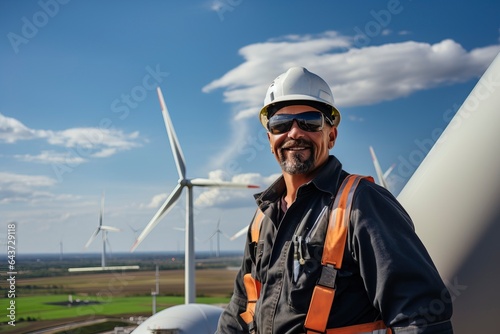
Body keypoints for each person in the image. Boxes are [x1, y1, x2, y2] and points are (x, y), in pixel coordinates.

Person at [216, 67, 453, 333]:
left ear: (331, 135)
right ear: (270, 138)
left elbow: (419, 317)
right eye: (281, 123)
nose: (294, 133)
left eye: (309, 121)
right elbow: (239, 310)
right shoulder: (264, 218)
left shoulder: (362, 204)